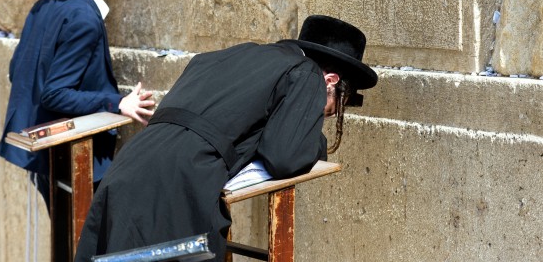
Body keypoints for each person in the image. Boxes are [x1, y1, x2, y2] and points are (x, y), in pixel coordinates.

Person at [75, 15, 378, 261]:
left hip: (129, 165)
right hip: (178, 184)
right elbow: (285, 156)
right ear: (331, 81)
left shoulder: (230, 56)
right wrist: (315, 143)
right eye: (332, 106)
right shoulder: (307, 73)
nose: (322, 115)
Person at [0, 0, 155, 210]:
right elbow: (54, 93)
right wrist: (117, 103)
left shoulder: (44, 7)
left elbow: (16, 70)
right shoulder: (84, 18)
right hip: (75, 164)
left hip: (46, 162)